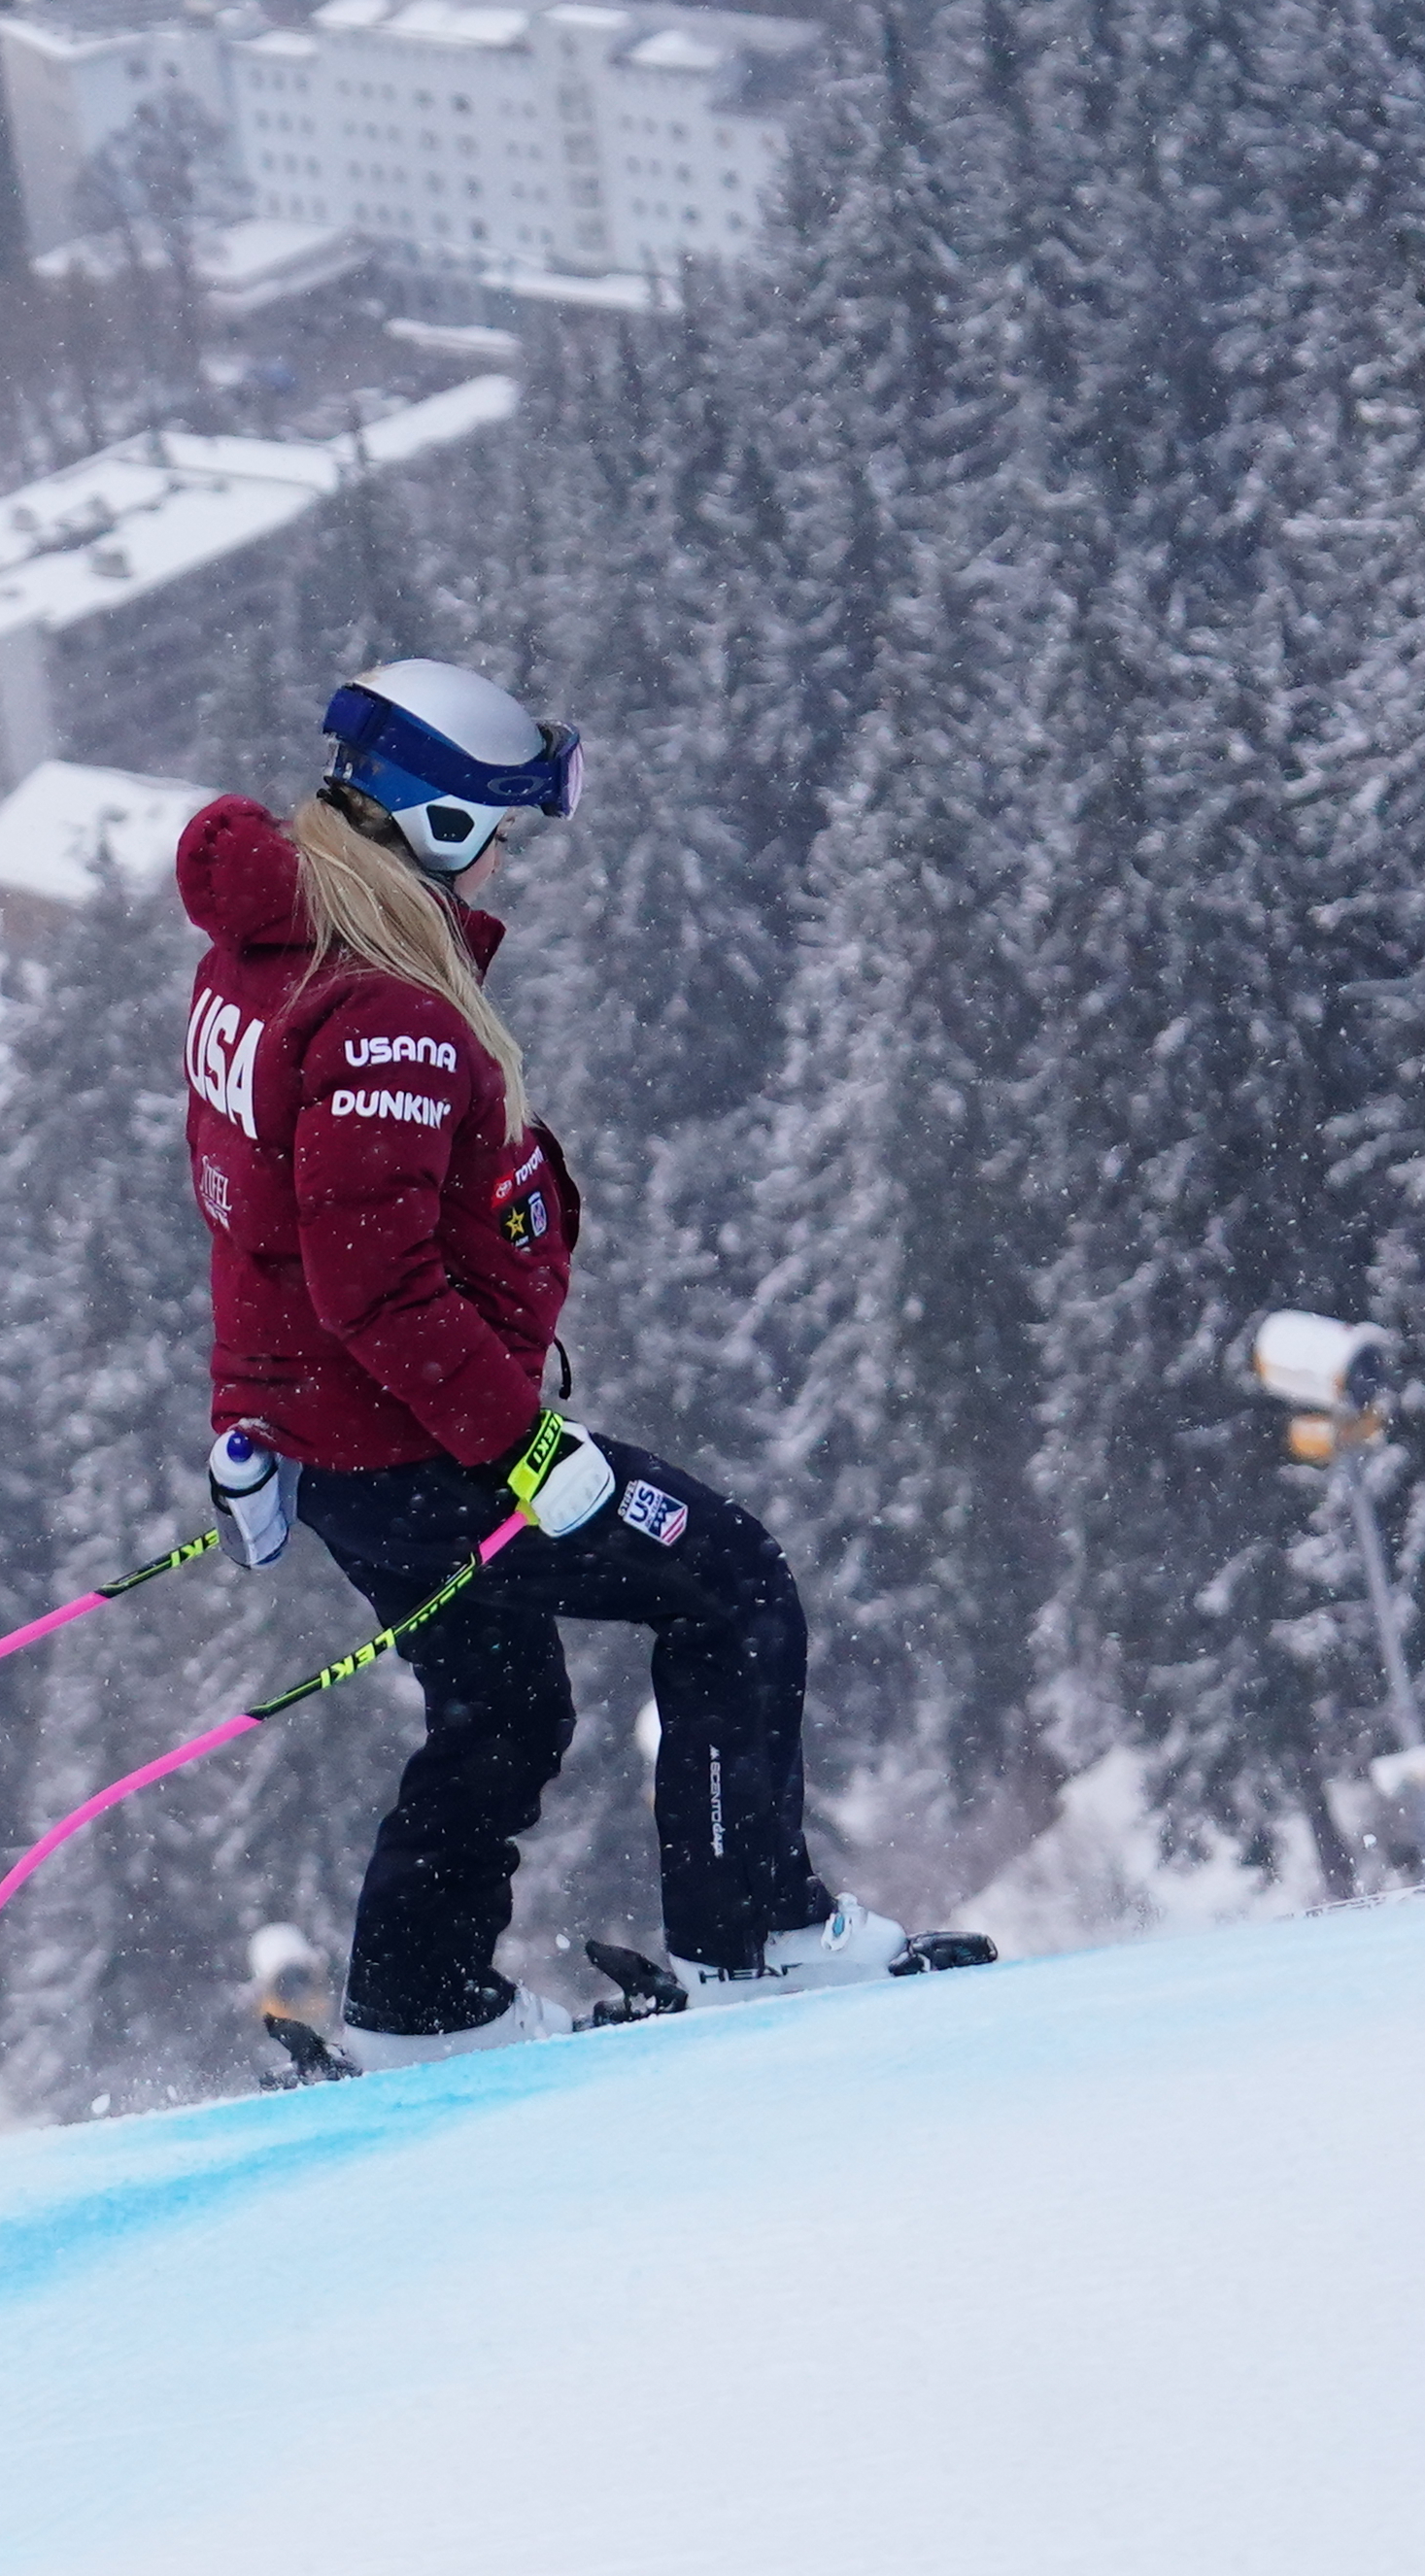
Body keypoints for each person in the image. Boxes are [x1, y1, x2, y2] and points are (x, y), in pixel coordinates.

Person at [180, 658, 974, 2068]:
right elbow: (380, 1291)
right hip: (429, 1447)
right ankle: (754, 1932)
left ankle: (421, 2003)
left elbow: (260, 1236)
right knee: (732, 1587)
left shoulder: (262, 953)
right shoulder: (386, 1018)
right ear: (425, 826)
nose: (502, 864)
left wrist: (251, 1428)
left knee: (505, 1700)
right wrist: (529, 1453)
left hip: (349, 1450)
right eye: (491, 830)